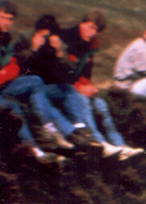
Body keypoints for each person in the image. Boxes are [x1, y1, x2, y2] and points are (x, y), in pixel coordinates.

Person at [0, 1, 74, 162]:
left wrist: (1, 74)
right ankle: (35, 151)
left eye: (10, 19)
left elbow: (12, 67)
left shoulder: (5, 37)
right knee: (13, 107)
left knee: (35, 81)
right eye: (3, 18)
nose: (6, 22)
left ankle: (47, 128)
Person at [59, 10, 143, 160]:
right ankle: (101, 144)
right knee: (84, 102)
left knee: (101, 105)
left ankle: (121, 146)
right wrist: (80, 87)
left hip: (77, 85)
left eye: (96, 30)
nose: (92, 33)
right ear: (82, 23)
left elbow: (85, 72)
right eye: (90, 27)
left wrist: (89, 86)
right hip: (62, 86)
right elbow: (59, 71)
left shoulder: (90, 44)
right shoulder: (66, 38)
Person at [14, 14, 96, 149]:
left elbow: (70, 72)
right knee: (47, 104)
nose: (44, 38)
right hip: (28, 85)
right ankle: (71, 134)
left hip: (45, 86)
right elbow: (19, 65)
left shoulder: (54, 43)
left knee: (69, 89)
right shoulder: (25, 38)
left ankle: (81, 128)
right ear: (36, 30)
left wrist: (59, 52)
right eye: (42, 33)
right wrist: (33, 49)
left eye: (47, 35)